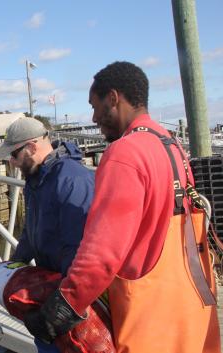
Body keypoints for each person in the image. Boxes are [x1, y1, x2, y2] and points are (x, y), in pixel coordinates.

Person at [23, 61, 221, 352]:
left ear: (113, 98)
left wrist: (63, 307)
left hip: (149, 315)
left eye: (95, 105)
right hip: (188, 304)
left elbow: (102, 252)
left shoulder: (124, 153)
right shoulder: (170, 144)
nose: (93, 117)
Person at [0, 117, 95, 353]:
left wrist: (63, 306)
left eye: (14, 154)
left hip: (71, 296)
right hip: (49, 283)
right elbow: (31, 230)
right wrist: (15, 265)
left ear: (31, 147)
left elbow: (81, 248)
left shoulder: (73, 180)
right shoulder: (34, 179)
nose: (12, 161)